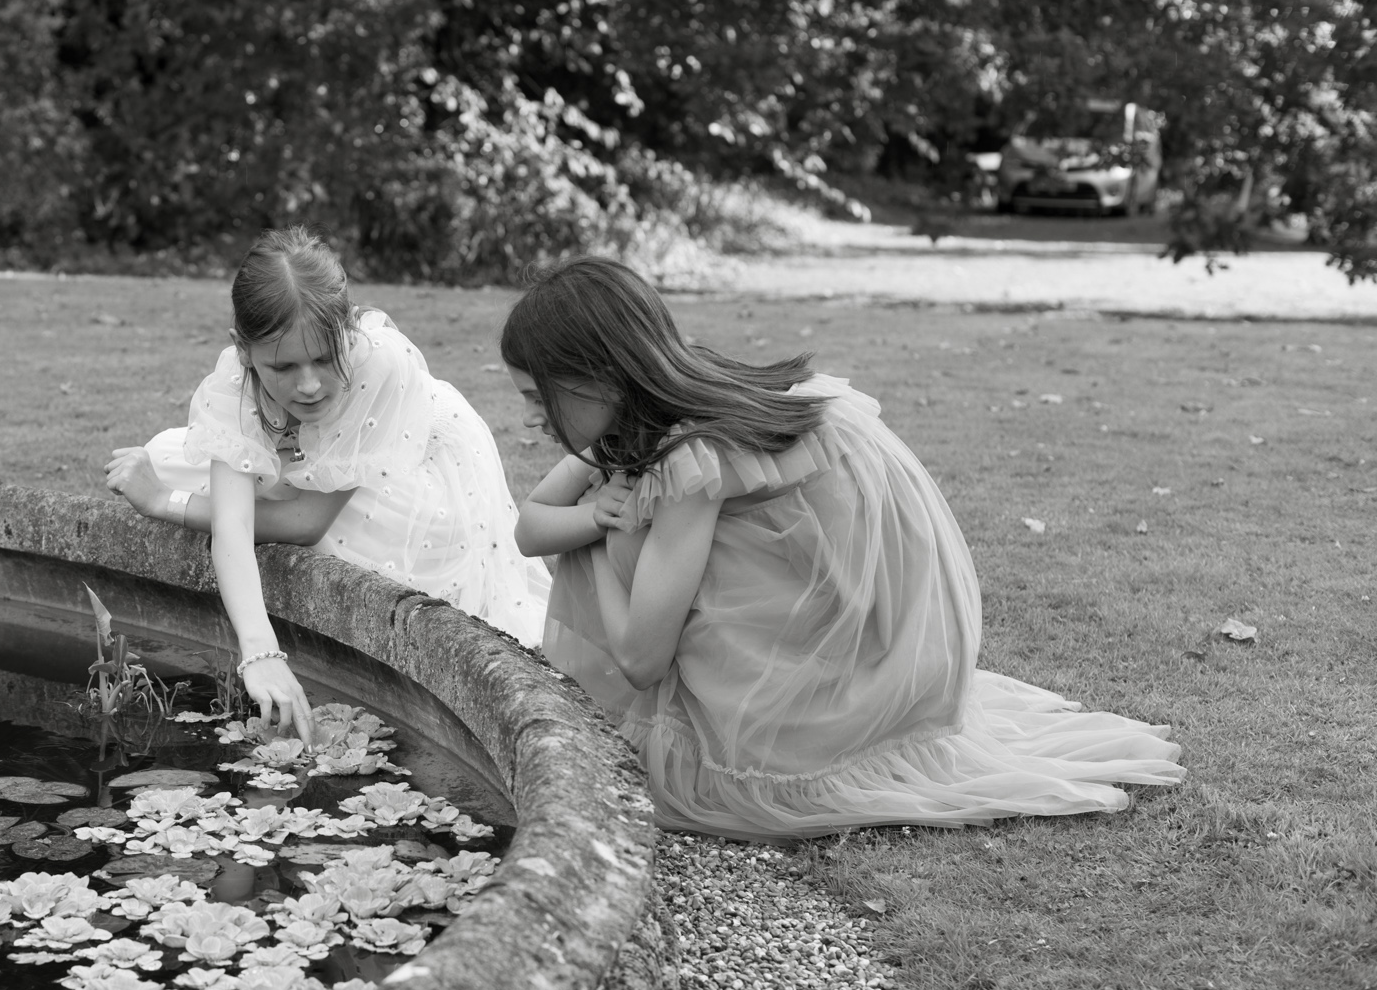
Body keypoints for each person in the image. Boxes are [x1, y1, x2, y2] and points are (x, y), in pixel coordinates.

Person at [502, 256, 1184, 840]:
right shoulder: (659, 411)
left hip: (807, 670)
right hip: (834, 628)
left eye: (540, 398)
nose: (533, 419)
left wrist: (607, 536)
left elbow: (640, 660)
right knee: (585, 535)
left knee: (601, 548)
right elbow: (530, 527)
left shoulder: (688, 459)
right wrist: (595, 517)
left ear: (596, 377)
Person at [106, 226, 550, 742]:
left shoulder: (379, 365)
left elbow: (303, 522)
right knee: (166, 453)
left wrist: (163, 502)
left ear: (349, 332)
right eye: (284, 367)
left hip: (411, 470)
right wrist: (260, 649)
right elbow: (232, 525)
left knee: (339, 539)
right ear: (244, 351)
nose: (310, 384)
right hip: (311, 460)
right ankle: (270, 469)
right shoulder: (236, 377)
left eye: (323, 357)